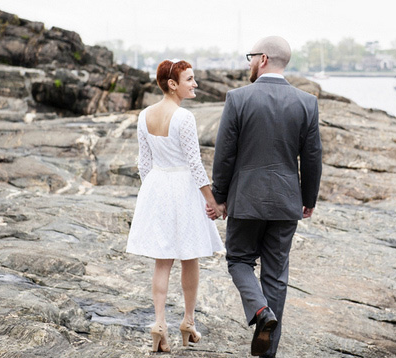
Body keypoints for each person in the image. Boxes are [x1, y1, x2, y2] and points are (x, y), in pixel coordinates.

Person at [210, 36, 323, 357]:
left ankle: (261, 312)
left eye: (250, 57)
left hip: (245, 200)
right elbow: (312, 157)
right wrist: (309, 199)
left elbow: (225, 155)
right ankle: (268, 352)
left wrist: (219, 196)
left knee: (239, 260)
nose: (248, 63)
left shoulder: (238, 99)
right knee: (276, 275)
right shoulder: (306, 102)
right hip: (287, 203)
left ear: (262, 59)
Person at [126, 59, 224, 353]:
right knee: (190, 255)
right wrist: (212, 202)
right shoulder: (184, 118)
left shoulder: (144, 115)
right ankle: (188, 322)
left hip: (158, 185)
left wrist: (152, 192)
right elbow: (194, 164)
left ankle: (158, 323)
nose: (195, 84)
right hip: (183, 187)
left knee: (162, 259)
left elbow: (144, 163)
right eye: (190, 79)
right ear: (173, 84)